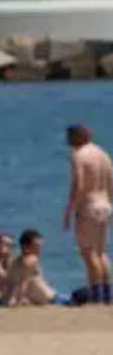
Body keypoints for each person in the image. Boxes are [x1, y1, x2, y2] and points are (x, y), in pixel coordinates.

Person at [63, 125, 112, 305]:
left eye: (69, 137)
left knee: (88, 253)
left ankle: (97, 296)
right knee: (100, 252)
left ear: (77, 137)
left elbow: (79, 184)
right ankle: (108, 295)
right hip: (105, 204)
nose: (67, 141)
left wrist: (70, 210)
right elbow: (110, 183)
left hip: (89, 206)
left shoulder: (79, 155)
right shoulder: (103, 154)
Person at [4, 229, 63, 306]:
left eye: (40, 246)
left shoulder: (14, 262)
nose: (40, 249)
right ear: (25, 247)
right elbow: (23, 282)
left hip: (42, 300)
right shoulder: (32, 260)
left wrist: (13, 299)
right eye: (37, 246)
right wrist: (18, 300)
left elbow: (11, 285)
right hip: (53, 300)